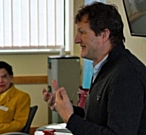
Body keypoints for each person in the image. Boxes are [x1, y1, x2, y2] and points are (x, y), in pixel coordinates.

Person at [43, 2, 146, 135]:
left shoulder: (126, 76)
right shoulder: (106, 67)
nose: (76, 40)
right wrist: (64, 108)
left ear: (104, 35)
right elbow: (97, 120)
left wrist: (70, 118)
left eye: (82, 32)